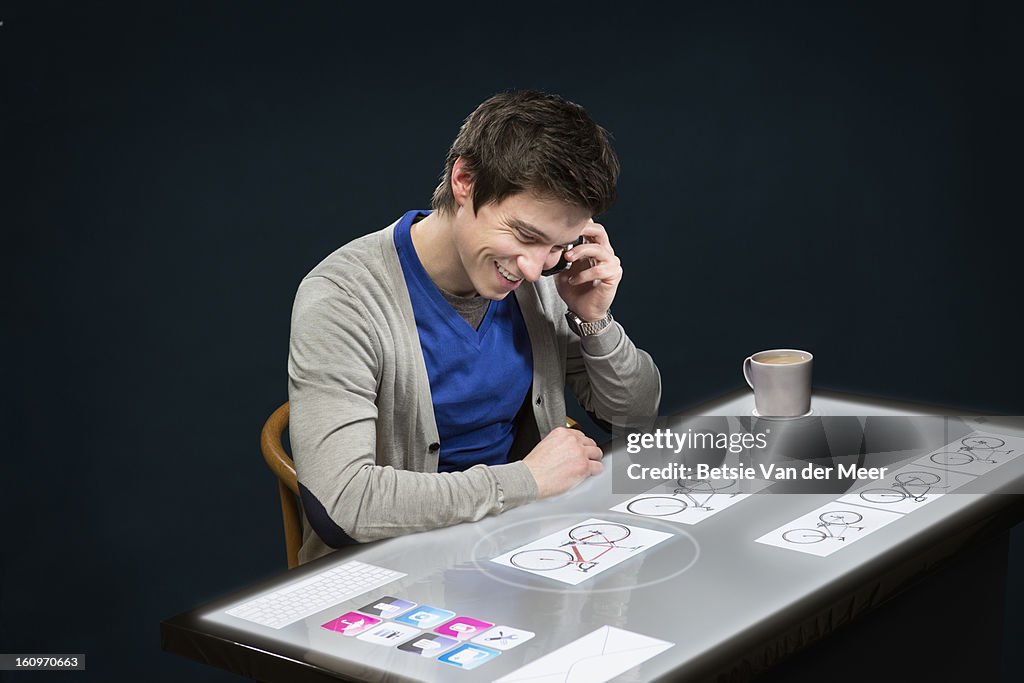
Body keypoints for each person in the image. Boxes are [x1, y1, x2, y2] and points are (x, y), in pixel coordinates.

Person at [288, 90, 660, 563]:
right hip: (391, 573)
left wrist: (595, 320)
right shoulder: (343, 297)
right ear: (465, 180)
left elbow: (634, 418)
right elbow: (343, 505)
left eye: (556, 246)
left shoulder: (542, 283)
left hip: (518, 549)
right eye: (525, 235)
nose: (532, 268)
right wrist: (526, 481)